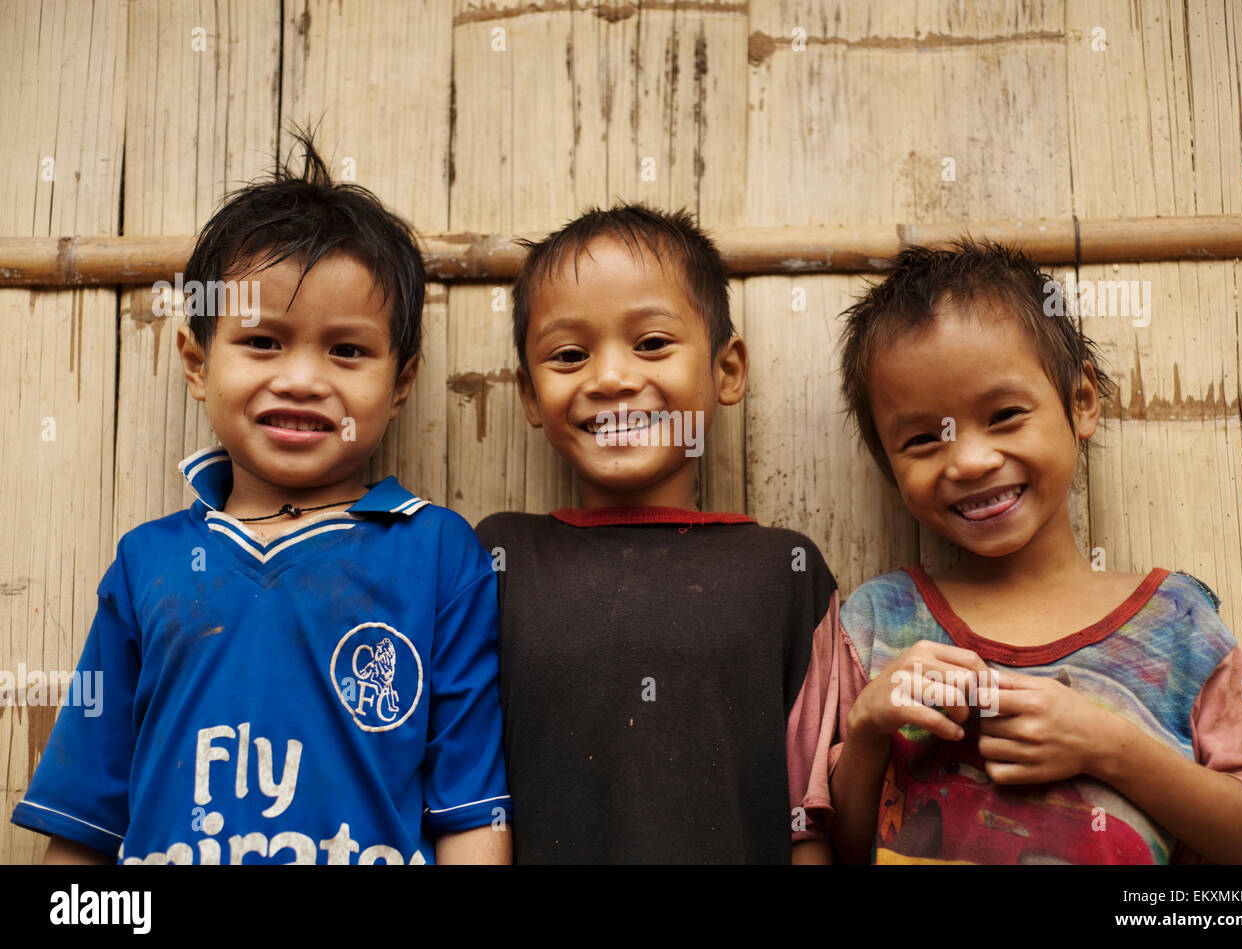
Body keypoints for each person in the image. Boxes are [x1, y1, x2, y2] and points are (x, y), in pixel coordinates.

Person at [11, 133, 511, 865]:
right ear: (196, 361)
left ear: (401, 383)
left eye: (347, 350)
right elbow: (84, 824)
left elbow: (470, 815)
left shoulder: (437, 553)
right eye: (264, 342)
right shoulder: (147, 565)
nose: (304, 379)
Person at [829, 238, 1242, 864]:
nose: (970, 460)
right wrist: (866, 730)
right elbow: (834, 847)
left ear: (1081, 402)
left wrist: (1108, 746)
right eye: (922, 439)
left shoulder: (1178, 624)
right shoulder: (877, 624)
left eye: (1003, 415)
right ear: (887, 464)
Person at [475, 203, 841, 863]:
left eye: (651, 343)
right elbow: (463, 790)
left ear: (726, 371)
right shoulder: (499, 560)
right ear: (530, 395)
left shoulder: (784, 571)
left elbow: (811, 817)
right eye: (568, 355)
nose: (611, 377)